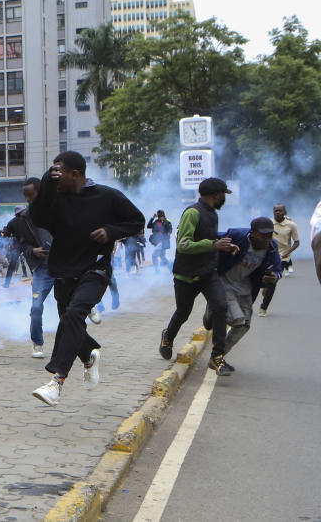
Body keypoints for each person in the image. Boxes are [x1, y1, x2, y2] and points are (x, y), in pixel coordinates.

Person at [28, 151, 144, 406]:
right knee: (70, 322)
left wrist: (111, 231)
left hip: (95, 269)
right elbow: (36, 217)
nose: (56, 176)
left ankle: (56, 383)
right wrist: (46, 184)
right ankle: (89, 357)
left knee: (73, 316)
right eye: (53, 171)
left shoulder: (107, 196)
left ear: (75, 174)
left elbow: (137, 221)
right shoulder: (55, 199)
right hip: (63, 271)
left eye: (59, 171)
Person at [159, 177, 238, 376]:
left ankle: (217, 356)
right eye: (223, 195)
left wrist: (224, 245)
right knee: (183, 312)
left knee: (220, 306)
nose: (224, 199)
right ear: (215, 195)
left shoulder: (211, 214)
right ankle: (168, 336)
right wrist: (213, 245)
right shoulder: (193, 212)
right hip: (186, 274)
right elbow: (183, 244)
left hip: (207, 273)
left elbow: (208, 238)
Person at [202, 218, 281, 364]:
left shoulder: (272, 247)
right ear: (253, 233)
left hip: (245, 287)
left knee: (244, 326)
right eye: (263, 235)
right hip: (224, 281)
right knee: (237, 320)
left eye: (270, 235)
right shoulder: (237, 235)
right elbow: (212, 237)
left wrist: (274, 277)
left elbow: (278, 269)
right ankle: (214, 310)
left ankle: (217, 356)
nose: (267, 239)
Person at [4, 177, 54, 358]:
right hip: (43, 268)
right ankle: (37, 343)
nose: (28, 200)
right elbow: (21, 244)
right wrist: (33, 251)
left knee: (73, 307)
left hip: (65, 266)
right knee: (36, 307)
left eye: (31, 195)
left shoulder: (57, 209)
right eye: (25, 196)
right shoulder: (23, 218)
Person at [258, 204, 300, 316]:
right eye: (275, 210)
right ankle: (265, 289)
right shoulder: (268, 224)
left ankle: (263, 308)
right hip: (267, 256)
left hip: (282, 258)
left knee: (273, 281)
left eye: (280, 210)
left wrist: (288, 252)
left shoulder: (291, 225)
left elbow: (296, 242)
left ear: (285, 212)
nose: (277, 212)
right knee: (262, 281)